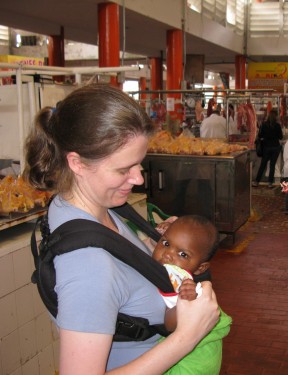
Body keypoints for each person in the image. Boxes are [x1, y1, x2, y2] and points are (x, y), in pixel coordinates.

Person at [23, 84, 220, 374]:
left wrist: (154, 237)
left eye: (139, 164)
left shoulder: (84, 208)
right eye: (123, 169)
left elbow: (120, 272)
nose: (138, 179)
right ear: (76, 162)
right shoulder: (89, 267)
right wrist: (186, 338)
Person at [152, 215, 232, 375]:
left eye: (183, 255)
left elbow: (169, 324)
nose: (167, 254)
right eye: (166, 243)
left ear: (200, 269)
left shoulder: (186, 287)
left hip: (193, 361)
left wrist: (183, 301)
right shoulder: (163, 272)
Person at [253, 109, 283, 188]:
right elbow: (280, 137)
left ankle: (256, 181)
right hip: (275, 147)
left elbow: (260, 135)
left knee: (263, 164)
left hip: (266, 147)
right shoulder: (277, 125)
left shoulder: (264, 124)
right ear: (276, 116)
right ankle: (270, 183)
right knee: (272, 165)